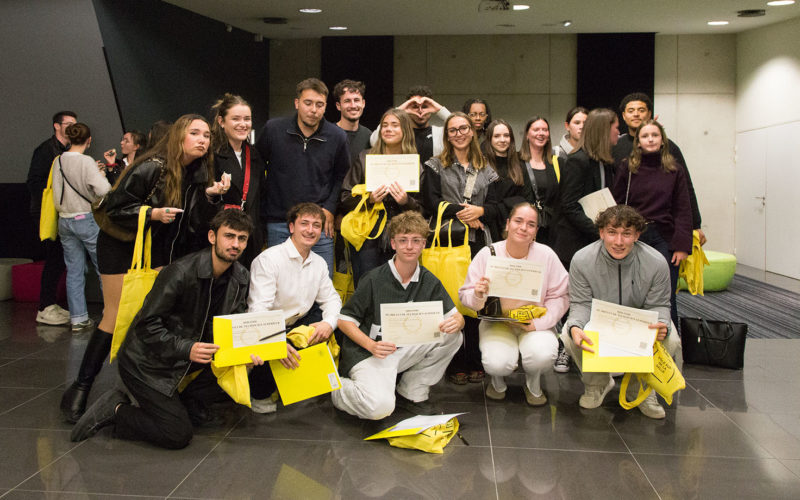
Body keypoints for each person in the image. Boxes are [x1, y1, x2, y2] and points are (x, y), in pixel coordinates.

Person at [59, 115, 229, 424]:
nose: (202, 139)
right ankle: (80, 388)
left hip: (159, 249)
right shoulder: (153, 166)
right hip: (124, 246)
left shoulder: (198, 173)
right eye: (194, 133)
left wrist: (210, 197)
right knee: (113, 316)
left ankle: (148, 388)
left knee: (150, 317)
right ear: (179, 136)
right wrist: (151, 213)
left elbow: (195, 224)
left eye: (206, 135)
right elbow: (112, 207)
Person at [70, 209, 258, 448]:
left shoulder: (240, 277)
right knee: (177, 434)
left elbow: (233, 326)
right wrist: (186, 348)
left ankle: (188, 405)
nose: (235, 244)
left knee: (238, 366)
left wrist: (246, 353)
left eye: (242, 239)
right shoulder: (180, 272)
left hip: (186, 359)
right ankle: (116, 410)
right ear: (212, 237)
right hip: (147, 363)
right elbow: (145, 325)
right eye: (229, 236)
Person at [332, 211, 464, 419]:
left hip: (402, 349)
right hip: (370, 352)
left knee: (453, 335)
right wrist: (371, 345)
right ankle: (339, 391)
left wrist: (456, 322)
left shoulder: (429, 280)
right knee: (379, 409)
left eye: (415, 241)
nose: (409, 246)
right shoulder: (374, 279)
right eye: (403, 240)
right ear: (393, 244)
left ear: (423, 244)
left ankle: (411, 391)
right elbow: (344, 321)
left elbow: (457, 316)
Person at [561, 205, 679, 419]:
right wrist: (576, 326)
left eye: (627, 233)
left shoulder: (656, 262)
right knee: (569, 335)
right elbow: (581, 304)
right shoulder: (582, 259)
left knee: (671, 340)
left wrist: (662, 324)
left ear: (637, 235)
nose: (618, 241)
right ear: (601, 232)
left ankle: (641, 390)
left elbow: (660, 305)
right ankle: (598, 384)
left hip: (639, 327)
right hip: (601, 325)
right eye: (612, 232)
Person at [460, 203, 569, 405]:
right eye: (518, 221)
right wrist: (478, 294)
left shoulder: (546, 255)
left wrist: (539, 324)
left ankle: (533, 384)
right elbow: (465, 296)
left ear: (536, 231)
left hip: (534, 322)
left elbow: (560, 296)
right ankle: (498, 382)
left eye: (531, 224)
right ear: (508, 224)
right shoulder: (488, 253)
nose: (523, 228)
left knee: (542, 354)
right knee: (496, 363)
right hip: (497, 323)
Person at [423, 111, 499, 385]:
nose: (459, 133)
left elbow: (496, 205)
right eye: (453, 130)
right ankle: (455, 361)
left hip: (478, 240)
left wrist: (482, 211)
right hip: (448, 241)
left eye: (463, 128)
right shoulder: (434, 165)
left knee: (477, 301)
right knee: (452, 300)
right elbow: (430, 203)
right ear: (447, 135)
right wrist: (467, 212)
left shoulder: (487, 167)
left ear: (472, 131)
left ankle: (474, 359)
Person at [247, 202, 342, 413]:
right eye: (304, 224)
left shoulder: (318, 263)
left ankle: (295, 384)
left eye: (316, 225)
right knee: (264, 391)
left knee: (339, 325)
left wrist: (328, 323)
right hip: (266, 328)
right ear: (291, 227)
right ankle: (260, 391)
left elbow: (332, 299)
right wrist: (276, 343)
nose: (310, 230)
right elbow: (258, 312)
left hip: (296, 324)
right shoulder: (269, 260)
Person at [255, 77, 350, 275]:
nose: (313, 109)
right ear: (297, 103)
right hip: (279, 221)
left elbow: (341, 174)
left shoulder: (337, 136)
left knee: (320, 286)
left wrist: (330, 208)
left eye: (319, 104)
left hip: (319, 224)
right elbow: (256, 167)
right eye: (308, 103)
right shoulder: (274, 129)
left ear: (326, 107)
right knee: (279, 284)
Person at [611, 120, 692, 328]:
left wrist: (682, 246)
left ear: (662, 140)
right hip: (632, 236)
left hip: (663, 236)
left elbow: (683, 208)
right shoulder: (627, 167)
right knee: (629, 291)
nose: (650, 139)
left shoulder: (675, 170)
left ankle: (668, 346)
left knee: (665, 295)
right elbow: (615, 202)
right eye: (645, 136)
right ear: (637, 142)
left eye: (655, 135)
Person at [339, 108, 423, 284]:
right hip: (367, 234)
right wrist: (369, 200)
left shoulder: (414, 163)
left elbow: (425, 208)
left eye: (394, 125)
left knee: (400, 285)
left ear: (405, 131)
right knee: (367, 284)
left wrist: (406, 201)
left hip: (403, 234)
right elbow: (345, 198)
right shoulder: (365, 157)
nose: (388, 129)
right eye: (384, 125)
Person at [612, 92, 705, 246]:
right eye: (631, 111)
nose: (636, 114)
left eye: (641, 110)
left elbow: (685, 190)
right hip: (629, 229)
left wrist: (696, 225)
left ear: (649, 114)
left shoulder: (670, 148)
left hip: (663, 229)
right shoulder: (615, 147)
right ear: (623, 116)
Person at [52, 123, 111, 331]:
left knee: (74, 271)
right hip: (86, 218)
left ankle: (78, 319)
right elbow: (104, 190)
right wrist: (101, 176)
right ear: (89, 140)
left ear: (68, 138)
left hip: (64, 220)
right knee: (103, 268)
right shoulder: (86, 162)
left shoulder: (58, 161)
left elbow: (55, 193)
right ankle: (109, 315)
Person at [552, 108, 619, 270]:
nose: (618, 132)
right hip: (576, 244)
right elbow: (569, 206)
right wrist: (599, 230)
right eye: (616, 128)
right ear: (604, 131)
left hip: (595, 240)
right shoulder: (578, 161)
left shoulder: (605, 162)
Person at [28, 110, 77, 326]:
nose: (73, 127)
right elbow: (35, 182)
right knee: (54, 257)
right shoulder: (45, 150)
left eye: (76, 123)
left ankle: (50, 304)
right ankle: (45, 306)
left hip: (65, 212)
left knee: (61, 260)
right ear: (57, 126)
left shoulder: (69, 150)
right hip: (48, 213)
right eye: (68, 123)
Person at [210, 93, 267, 269]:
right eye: (236, 119)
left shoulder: (254, 154)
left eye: (247, 119)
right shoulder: (211, 154)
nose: (243, 124)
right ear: (221, 121)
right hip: (223, 235)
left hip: (250, 235)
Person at [370, 85, 450, 164]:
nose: (420, 111)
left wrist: (439, 109)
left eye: (425, 107)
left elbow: (459, 126)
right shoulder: (398, 133)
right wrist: (400, 109)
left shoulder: (439, 133)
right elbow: (374, 140)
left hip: (432, 176)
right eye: (415, 107)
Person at [480, 119, 531, 239]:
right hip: (489, 226)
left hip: (516, 227)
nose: (502, 140)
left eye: (506, 136)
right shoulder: (481, 165)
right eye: (497, 136)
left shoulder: (520, 163)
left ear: (511, 139)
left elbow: (526, 198)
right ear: (489, 140)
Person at [519, 116, 560, 246]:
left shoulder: (557, 163)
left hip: (550, 229)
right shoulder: (516, 161)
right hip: (523, 228)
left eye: (545, 130)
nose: (541, 133)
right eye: (536, 129)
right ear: (527, 135)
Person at [333, 79, 371, 165]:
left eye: (356, 100)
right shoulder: (328, 134)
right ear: (338, 106)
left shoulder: (368, 136)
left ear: (363, 103)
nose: (353, 105)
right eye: (347, 101)